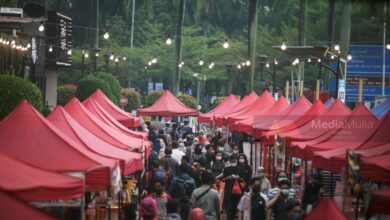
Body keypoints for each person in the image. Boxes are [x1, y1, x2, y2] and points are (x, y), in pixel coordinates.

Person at [222, 154, 242, 220]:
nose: (233, 161)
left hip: (237, 190)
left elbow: (243, 179)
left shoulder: (239, 168)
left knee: (236, 207)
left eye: (234, 159)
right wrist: (228, 178)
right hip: (228, 190)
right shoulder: (226, 169)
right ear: (229, 160)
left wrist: (238, 178)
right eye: (231, 159)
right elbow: (223, 179)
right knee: (229, 208)